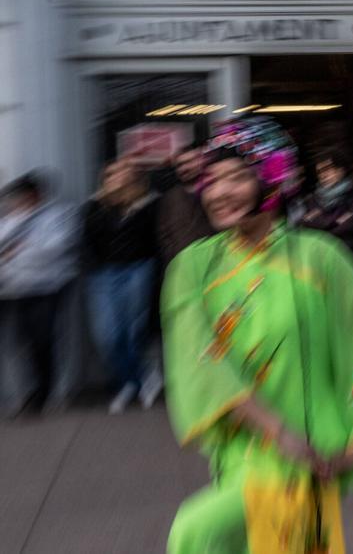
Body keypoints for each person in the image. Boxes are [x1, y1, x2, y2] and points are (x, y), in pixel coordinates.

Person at [162, 116, 353, 554]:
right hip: (244, 450)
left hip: (309, 455)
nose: (220, 191)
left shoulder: (320, 257)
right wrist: (277, 432)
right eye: (213, 179)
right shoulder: (193, 268)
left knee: (193, 532)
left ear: (272, 178)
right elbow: (200, 360)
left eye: (237, 177)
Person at [83, 158, 160, 414]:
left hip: (139, 268)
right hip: (103, 273)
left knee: (134, 329)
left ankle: (134, 383)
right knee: (108, 335)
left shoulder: (149, 203)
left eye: (125, 173)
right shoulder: (95, 206)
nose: (119, 177)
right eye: (113, 173)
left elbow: (154, 238)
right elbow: (88, 240)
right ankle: (136, 378)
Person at [0, 172, 78, 415]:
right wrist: (17, 254)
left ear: (35, 195)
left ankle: (44, 393)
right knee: (22, 344)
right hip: (12, 289)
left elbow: (55, 248)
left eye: (19, 196)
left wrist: (18, 253)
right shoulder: (7, 220)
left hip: (46, 286)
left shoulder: (59, 215)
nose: (14, 201)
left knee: (42, 341)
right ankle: (28, 394)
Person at [299, 151, 353, 265]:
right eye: (319, 172)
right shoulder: (313, 199)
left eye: (327, 170)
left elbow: (349, 226)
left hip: (349, 257)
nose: (323, 175)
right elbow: (305, 225)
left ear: (341, 171)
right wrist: (335, 221)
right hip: (322, 260)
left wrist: (319, 220)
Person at [157, 144, 215, 266]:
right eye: (180, 165)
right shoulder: (170, 196)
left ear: (201, 160)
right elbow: (163, 231)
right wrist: (171, 255)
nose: (184, 168)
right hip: (181, 264)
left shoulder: (214, 190)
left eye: (189, 162)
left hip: (216, 262)